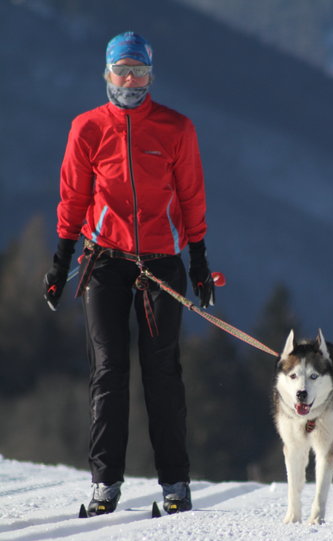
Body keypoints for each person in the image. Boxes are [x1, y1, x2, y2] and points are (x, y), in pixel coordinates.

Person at [44, 31, 214, 516]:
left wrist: (198, 260)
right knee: (108, 371)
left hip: (160, 264)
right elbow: (73, 199)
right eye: (122, 70)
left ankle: (176, 485)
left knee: (163, 373)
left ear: (151, 76)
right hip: (103, 265)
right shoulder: (87, 129)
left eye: (139, 71)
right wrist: (60, 263)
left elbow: (191, 197)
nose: (131, 80)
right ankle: (105, 485)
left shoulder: (176, 128)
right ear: (107, 73)